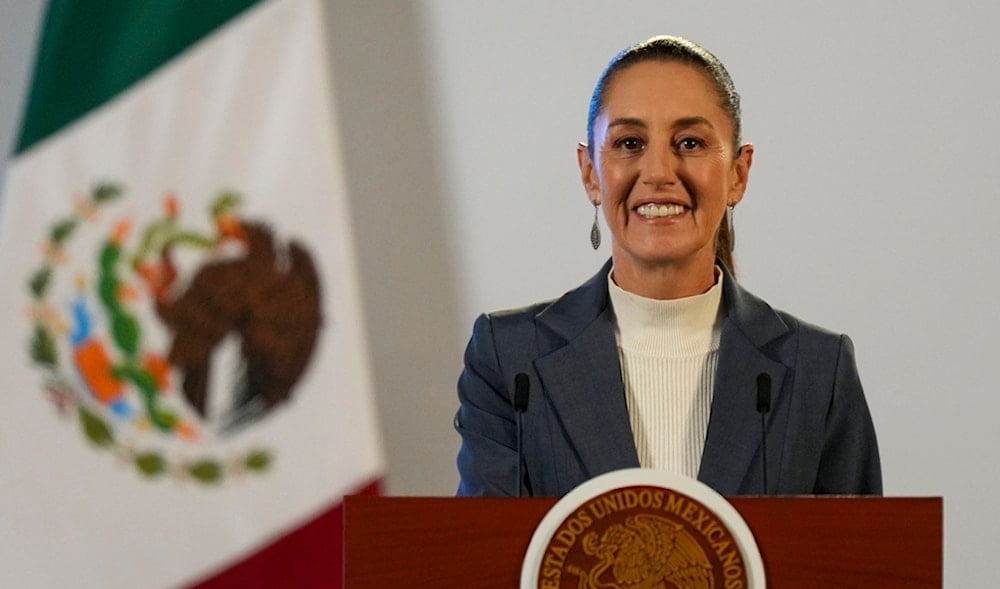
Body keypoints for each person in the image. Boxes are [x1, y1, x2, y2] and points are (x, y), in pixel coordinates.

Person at [454, 35, 881, 497]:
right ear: (591, 173)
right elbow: (487, 563)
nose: (658, 172)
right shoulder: (510, 360)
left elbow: (856, 564)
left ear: (738, 174)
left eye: (691, 142)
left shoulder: (818, 370)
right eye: (630, 142)